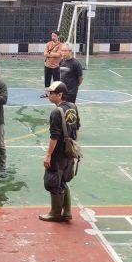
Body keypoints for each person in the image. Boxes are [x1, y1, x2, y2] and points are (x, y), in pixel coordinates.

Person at [39, 81, 80, 222]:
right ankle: (67, 212)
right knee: (63, 180)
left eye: (52, 93)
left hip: (58, 154)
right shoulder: (73, 107)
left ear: (60, 95)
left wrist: (48, 155)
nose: (49, 95)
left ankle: (55, 213)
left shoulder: (56, 112)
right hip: (70, 151)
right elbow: (77, 128)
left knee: (53, 182)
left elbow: (54, 136)